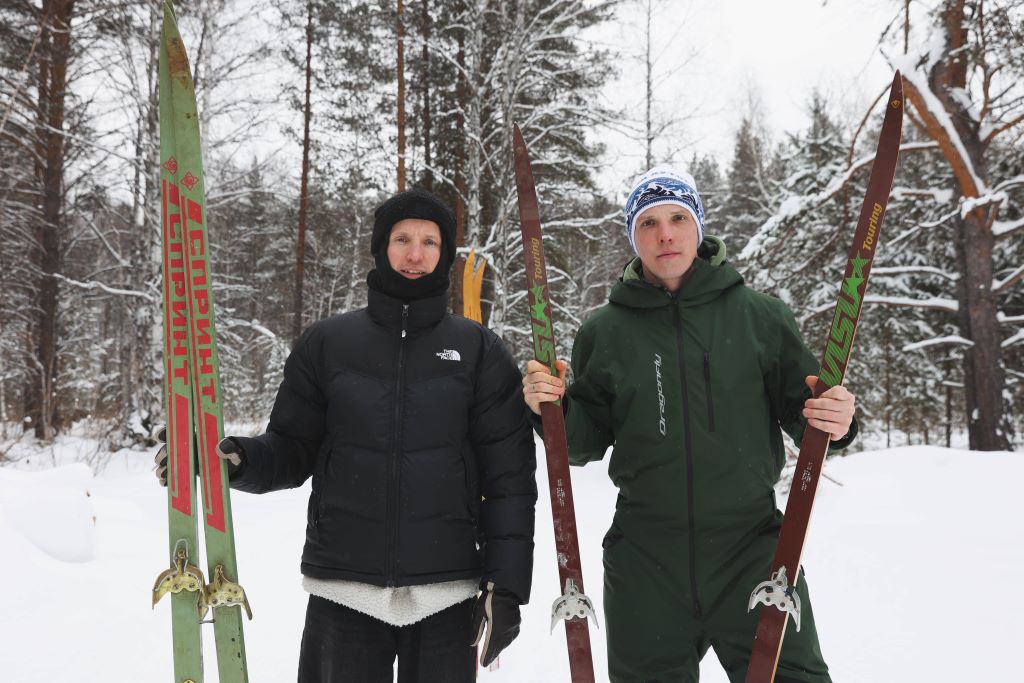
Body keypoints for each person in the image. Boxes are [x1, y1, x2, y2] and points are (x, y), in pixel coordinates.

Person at [155, 189, 537, 683]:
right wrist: (236, 460)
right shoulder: (328, 344)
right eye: (402, 239)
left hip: (447, 595)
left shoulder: (478, 350)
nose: (415, 254)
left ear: (446, 254)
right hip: (344, 592)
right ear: (381, 247)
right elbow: (292, 449)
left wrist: (505, 587)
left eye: (429, 242)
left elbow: (509, 478)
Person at [522, 166, 857, 683]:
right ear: (633, 237)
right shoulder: (604, 330)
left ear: (699, 226)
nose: (665, 234)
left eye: (678, 217)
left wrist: (836, 418)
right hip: (646, 560)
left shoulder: (759, 317)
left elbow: (807, 416)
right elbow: (583, 443)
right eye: (648, 223)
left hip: (752, 551)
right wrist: (552, 408)